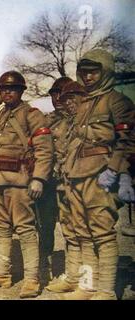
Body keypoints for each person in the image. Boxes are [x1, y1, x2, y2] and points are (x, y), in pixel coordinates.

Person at [62, 49, 135, 300]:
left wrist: (115, 170)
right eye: (84, 72)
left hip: (101, 176)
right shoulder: (83, 103)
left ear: (106, 72)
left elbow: (128, 141)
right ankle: (87, 285)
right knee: (82, 233)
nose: (88, 77)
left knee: (102, 233)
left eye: (94, 71)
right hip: (76, 175)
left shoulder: (117, 101)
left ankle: (106, 290)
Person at [0, 71, 53, 299]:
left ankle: (31, 279)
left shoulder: (32, 115)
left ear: (21, 91)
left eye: (12, 89)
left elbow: (44, 149)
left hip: (20, 181)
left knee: (26, 230)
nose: (7, 92)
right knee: (0, 229)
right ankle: (2, 273)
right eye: (3, 89)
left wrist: (39, 178)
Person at [45, 80, 88, 294]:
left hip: (84, 184)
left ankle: (89, 282)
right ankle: (73, 276)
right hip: (61, 184)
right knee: (69, 232)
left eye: (69, 97)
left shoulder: (85, 121)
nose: (63, 101)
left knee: (87, 233)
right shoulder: (57, 122)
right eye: (58, 96)